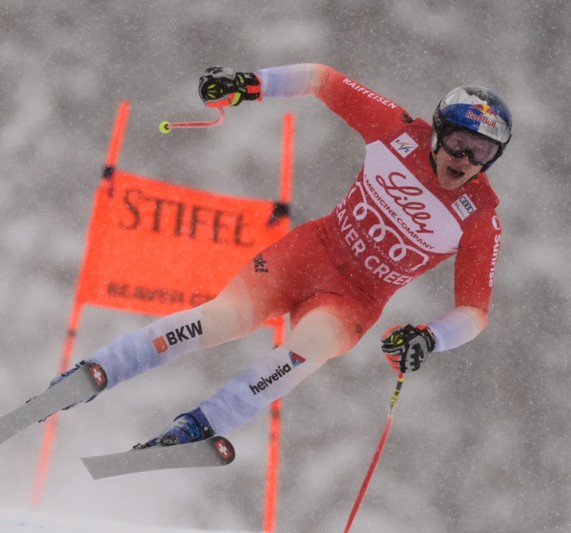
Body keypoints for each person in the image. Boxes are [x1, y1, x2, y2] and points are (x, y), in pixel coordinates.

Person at [54, 63, 513, 448]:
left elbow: (475, 311)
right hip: (309, 254)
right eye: (459, 142)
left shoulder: (480, 217)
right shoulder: (397, 133)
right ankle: (101, 369)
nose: (465, 159)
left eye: (482, 152)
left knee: (306, 351)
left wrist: (430, 338)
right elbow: (322, 79)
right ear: (438, 132)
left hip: (355, 300)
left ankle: (199, 427)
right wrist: (248, 84)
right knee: (221, 319)